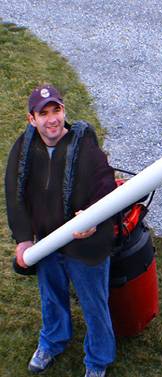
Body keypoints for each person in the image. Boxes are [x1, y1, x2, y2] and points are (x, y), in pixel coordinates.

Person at [5, 84, 117, 377]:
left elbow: (106, 183)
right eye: (44, 113)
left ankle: (97, 361)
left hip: (86, 241)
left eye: (57, 110)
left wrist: (93, 218)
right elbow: (15, 195)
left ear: (64, 111)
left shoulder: (84, 145)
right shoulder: (24, 148)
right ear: (32, 119)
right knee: (51, 295)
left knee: (95, 303)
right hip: (49, 242)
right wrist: (24, 240)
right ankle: (52, 342)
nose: (52, 119)